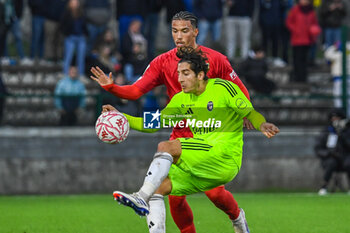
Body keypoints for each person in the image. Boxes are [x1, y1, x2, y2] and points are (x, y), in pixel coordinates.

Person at [90, 11, 254, 233]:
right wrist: (113, 88)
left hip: (209, 136)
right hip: (180, 133)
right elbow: (137, 89)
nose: (179, 36)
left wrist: (246, 114)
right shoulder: (162, 62)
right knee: (168, 194)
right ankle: (147, 204)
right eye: (174, 31)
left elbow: (241, 92)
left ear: (195, 32)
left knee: (215, 193)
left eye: (184, 31)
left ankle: (237, 217)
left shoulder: (216, 60)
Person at [109, 47, 279, 232]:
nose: (180, 79)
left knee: (166, 146)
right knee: (158, 188)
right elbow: (153, 123)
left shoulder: (222, 88)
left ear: (200, 75)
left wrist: (261, 124)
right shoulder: (181, 99)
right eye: (178, 74)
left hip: (225, 157)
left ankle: (141, 196)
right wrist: (123, 118)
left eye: (185, 73)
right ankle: (239, 223)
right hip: (203, 159)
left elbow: (249, 112)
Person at [314, 109, 350, 195]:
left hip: (345, 158)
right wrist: (328, 153)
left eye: (338, 119)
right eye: (333, 119)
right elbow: (318, 148)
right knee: (331, 163)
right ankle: (324, 187)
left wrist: (342, 134)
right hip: (331, 157)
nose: (336, 121)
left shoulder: (347, 131)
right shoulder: (327, 131)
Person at [286, 0, 321, 83]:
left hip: (307, 40)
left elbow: (314, 23)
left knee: (304, 60)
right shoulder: (295, 10)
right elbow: (289, 22)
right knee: (296, 60)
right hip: (296, 40)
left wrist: (313, 30)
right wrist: (295, 30)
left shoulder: (311, 11)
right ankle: (297, 78)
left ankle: (303, 78)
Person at [60, 0, 87, 77]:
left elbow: (84, 25)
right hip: (70, 37)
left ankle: (81, 75)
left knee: (81, 58)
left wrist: (86, 33)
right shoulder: (66, 13)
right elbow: (62, 25)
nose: (75, 4)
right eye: (73, 2)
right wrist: (66, 33)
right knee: (68, 56)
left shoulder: (81, 13)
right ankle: (65, 74)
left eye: (76, 2)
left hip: (81, 37)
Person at [324, 41, 350, 113]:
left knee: (338, 98)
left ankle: (340, 115)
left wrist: (334, 46)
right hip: (347, 78)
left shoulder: (337, 55)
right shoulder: (348, 50)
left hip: (339, 79)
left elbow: (327, 54)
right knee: (348, 98)